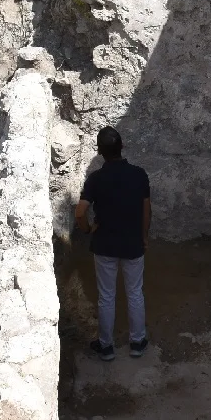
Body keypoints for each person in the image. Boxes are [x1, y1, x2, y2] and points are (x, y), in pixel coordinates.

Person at [74, 126, 151, 361]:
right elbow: (146, 211)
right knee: (135, 293)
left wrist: (88, 229)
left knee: (106, 296)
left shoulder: (96, 179)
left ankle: (106, 347)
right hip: (132, 244)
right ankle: (137, 342)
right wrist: (144, 237)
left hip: (104, 244)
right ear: (122, 147)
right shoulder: (139, 175)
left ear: (100, 152)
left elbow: (80, 213)